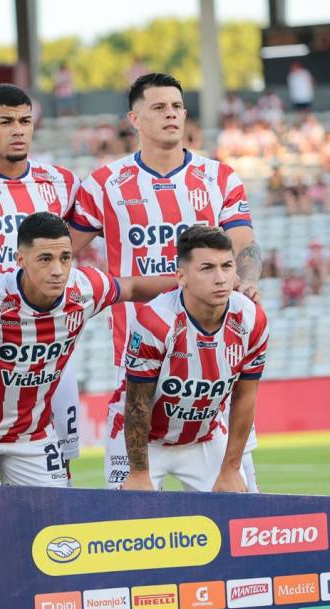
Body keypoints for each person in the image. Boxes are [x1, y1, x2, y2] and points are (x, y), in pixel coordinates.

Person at [67, 73, 264, 490]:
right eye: (158, 107)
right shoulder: (105, 184)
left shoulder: (219, 178)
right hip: (138, 358)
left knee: (242, 518)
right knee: (130, 532)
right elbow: (62, 251)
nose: (171, 114)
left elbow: (244, 244)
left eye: (176, 106)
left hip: (213, 376)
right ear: (134, 118)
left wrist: (245, 284)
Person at [0, 212, 177, 486]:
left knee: (51, 525)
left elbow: (132, 287)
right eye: (45, 259)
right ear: (20, 260)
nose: (58, 270)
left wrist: (189, 284)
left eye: (65, 258)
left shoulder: (85, 289)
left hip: (32, 435)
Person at [0, 83, 85, 464]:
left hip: (48, 347)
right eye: (5, 121)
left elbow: (76, 241)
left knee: (58, 466)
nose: (18, 129)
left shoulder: (62, 181)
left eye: (25, 121)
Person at [114, 226, 268, 492]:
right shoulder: (156, 321)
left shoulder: (251, 318)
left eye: (227, 266)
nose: (221, 278)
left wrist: (230, 468)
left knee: (240, 516)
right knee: (129, 525)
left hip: (204, 438)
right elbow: (137, 404)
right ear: (181, 277)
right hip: (143, 441)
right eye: (207, 268)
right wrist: (139, 473)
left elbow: (244, 397)